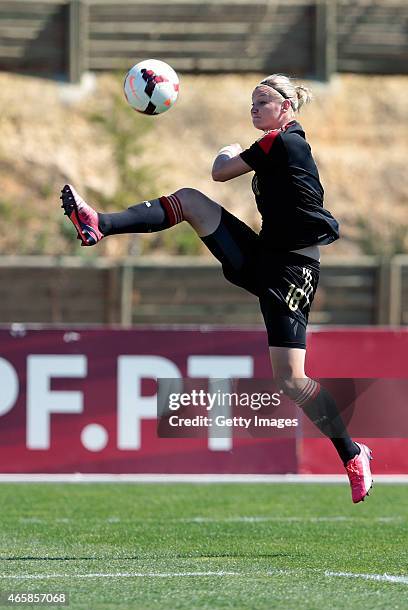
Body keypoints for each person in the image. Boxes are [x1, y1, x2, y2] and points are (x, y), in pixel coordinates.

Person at [60, 73, 372, 503]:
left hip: (293, 271)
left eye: (263, 101)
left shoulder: (286, 141)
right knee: (189, 201)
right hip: (265, 257)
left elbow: (221, 171)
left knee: (291, 380)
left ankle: (353, 455)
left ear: (287, 107)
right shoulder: (271, 145)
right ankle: (100, 224)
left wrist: (227, 151)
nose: (254, 107)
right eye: (251, 101)